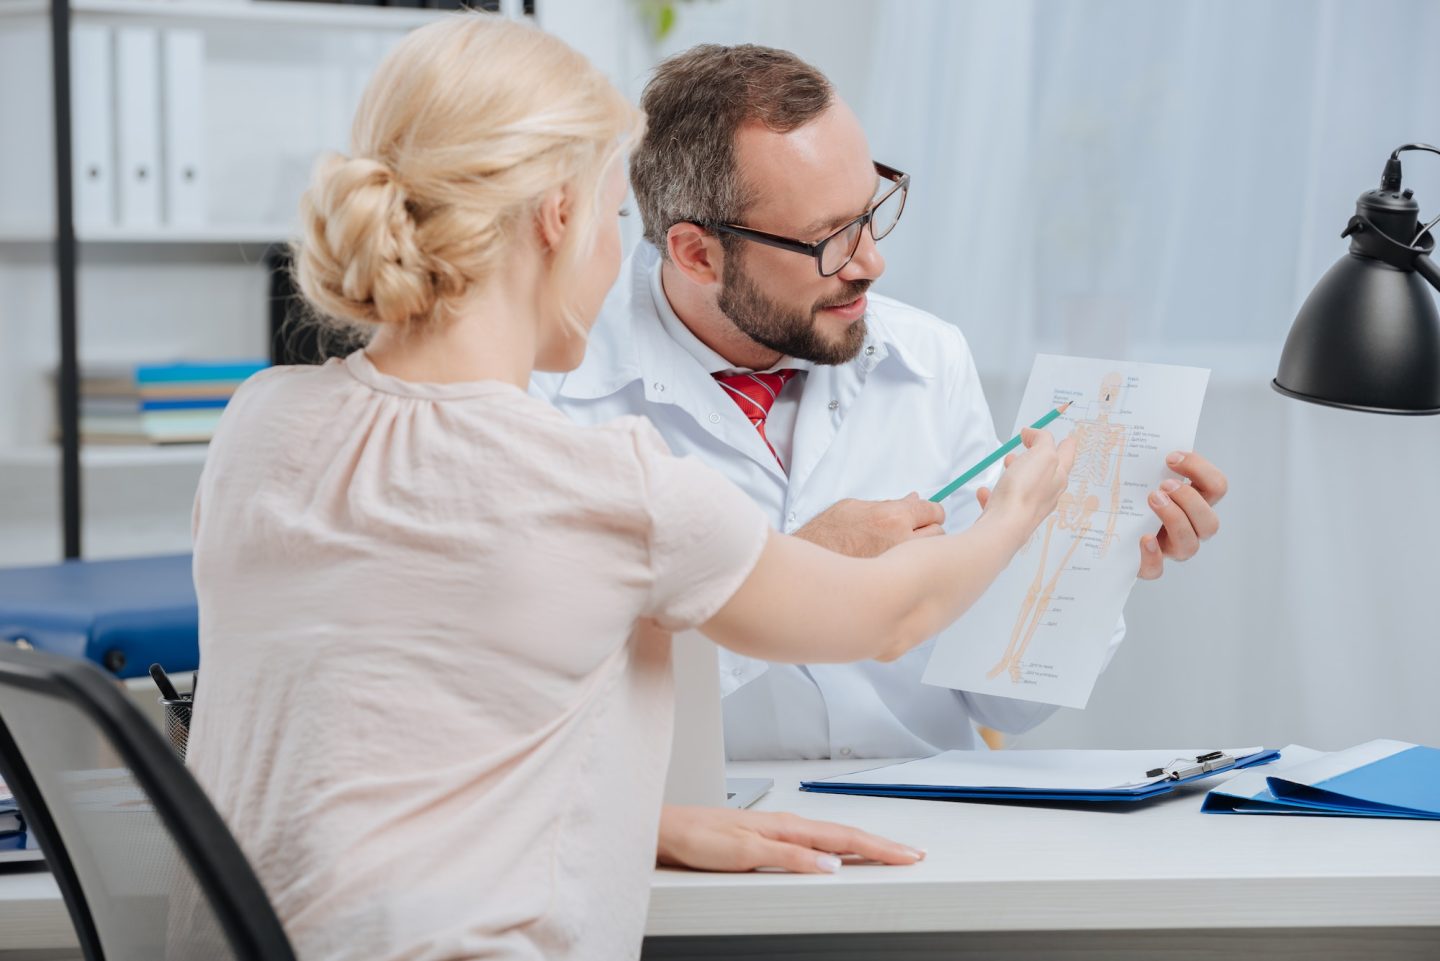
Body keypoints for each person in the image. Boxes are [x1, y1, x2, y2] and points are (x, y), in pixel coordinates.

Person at [185, 16, 1074, 961]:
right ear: (558, 219)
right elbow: (890, 616)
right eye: (617, 219)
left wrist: (649, 822)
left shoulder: (257, 422)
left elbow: (402, 743)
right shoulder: (596, 479)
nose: (623, 261)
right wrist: (1021, 509)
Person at [535, 44, 1228, 762]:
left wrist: (1087, 556)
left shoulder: (928, 359)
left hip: (928, 822)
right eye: (826, 239)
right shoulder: (554, 396)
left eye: (870, 212)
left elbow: (1003, 702)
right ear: (696, 254)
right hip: (710, 837)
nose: (870, 262)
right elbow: (564, 701)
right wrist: (797, 567)